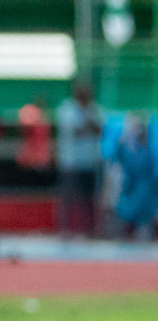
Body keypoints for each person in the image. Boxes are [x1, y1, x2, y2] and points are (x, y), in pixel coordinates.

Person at [55, 81, 103, 239]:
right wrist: (88, 124)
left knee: (88, 198)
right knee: (67, 197)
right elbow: (76, 131)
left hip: (89, 161)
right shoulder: (67, 109)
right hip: (70, 162)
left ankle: (89, 231)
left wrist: (89, 124)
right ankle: (65, 230)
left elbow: (99, 130)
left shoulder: (94, 108)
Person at [112, 113, 158, 238]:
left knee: (144, 217)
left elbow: (142, 166)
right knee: (125, 211)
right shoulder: (129, 147)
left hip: (147, 189)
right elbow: (118, 158)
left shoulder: (150, 148)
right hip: (132, 187)